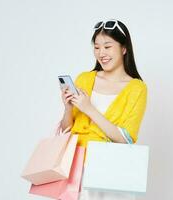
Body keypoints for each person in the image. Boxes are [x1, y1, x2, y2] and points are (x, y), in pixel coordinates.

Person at [60, 19, 148, 200]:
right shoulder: (84, 79)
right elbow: (65, 131)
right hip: (76, 168)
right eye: (97, 47)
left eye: (107, 47)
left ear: (124, 49)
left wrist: (89, 109)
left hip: (110, 169)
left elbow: (126, 138)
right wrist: (68, 109)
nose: (101, 53)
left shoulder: (137, 88)